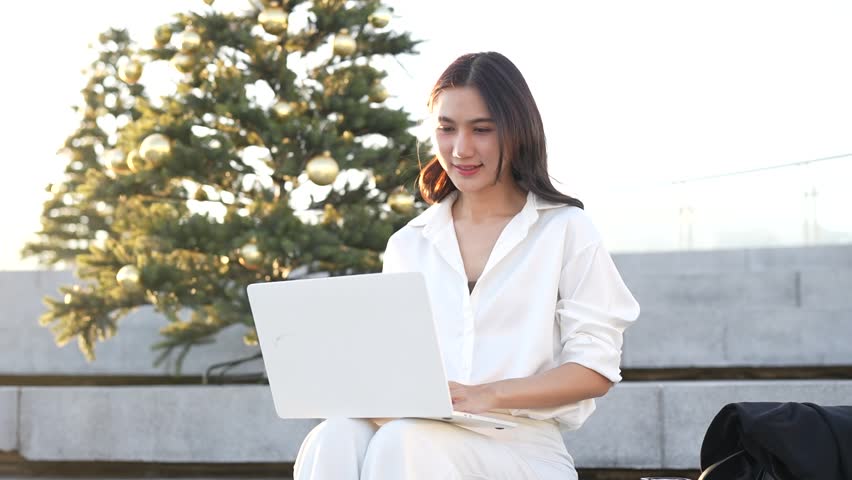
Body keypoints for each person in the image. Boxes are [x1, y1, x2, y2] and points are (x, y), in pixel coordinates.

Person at [293, 51, 640, 480]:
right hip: (416, 435)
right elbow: (396, 369)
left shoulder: (565, 230)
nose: (461, 149)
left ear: (517, 131)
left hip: (521, 448)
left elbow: (594, 370)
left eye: (482, 130)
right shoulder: (409, 244)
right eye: (446, 128)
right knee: (334, 435)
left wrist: (487, 395)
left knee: (405, 440)